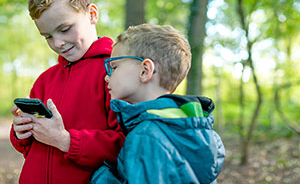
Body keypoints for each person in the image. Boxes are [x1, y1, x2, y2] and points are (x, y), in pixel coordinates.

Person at [9, 0, 124, 183]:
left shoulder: (116, 70)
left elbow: (125, 145)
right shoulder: (45, 80)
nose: (58, 43)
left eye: (64, 29)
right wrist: (21, 131)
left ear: (91, 14)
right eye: (48, 36)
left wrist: (66, 140)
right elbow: (30, 149)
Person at [90, 24, 225, 184]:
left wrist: (102, 176)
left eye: (114, 67)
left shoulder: (146, 135)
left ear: (145, 71)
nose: (107, 77)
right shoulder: (192, 128)